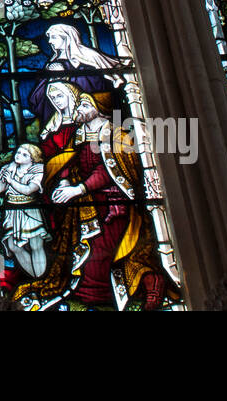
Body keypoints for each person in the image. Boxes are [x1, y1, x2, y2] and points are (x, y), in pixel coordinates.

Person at [35, 82, 173, 309]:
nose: (79, 107)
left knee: (105, 253)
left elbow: (108, 171)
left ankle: (147, 283)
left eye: (85, 104)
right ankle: (93, 297)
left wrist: (78, 189)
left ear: (99, 108)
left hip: (113, 205)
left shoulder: (116, 135)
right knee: (86, 255)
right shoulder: (79, 135)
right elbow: (70, 163)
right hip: (86, 205)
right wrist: (65, 181)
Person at [0, 144, 49, 278]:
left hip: (29, 210)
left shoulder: (37, 169)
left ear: (33, 158)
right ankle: (35, 278)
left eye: (25, 154)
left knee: (36, 244)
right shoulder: (8, 168)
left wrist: (11, 181)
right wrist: (6, 176)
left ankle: (40, 278)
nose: (19, 155)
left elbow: (29, 189)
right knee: (13, 246)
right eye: (18, 152)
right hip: (12, 211)